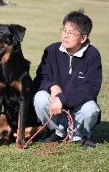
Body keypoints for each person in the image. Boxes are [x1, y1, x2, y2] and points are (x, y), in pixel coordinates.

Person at [33, 9, 102, 148]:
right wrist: (53, 86)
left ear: (83, 38)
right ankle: (57, 132)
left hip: (78, 110)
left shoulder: (93, 55)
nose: (65, 36)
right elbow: (41, 78)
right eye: (64, 30)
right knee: (40, 98)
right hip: (56, 109)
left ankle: (79, 135)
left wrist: (63, 98)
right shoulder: (51, 50)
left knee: (91, 109)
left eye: (71, 33)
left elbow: (91, 88)